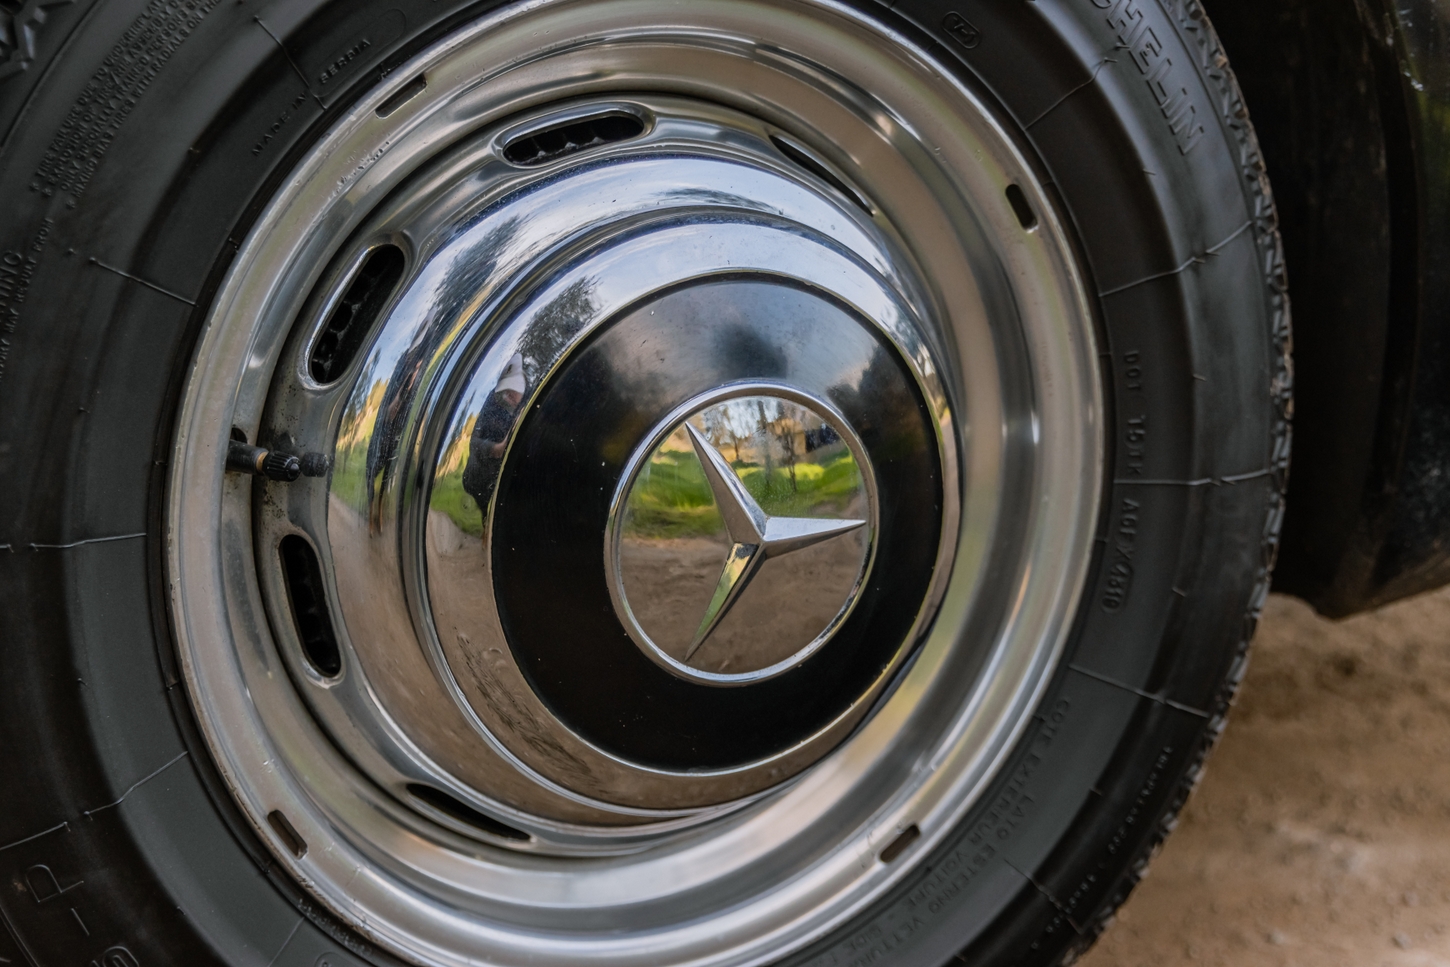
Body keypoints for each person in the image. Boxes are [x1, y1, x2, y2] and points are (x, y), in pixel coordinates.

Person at [462, 353, 526, 508]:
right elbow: (471, 441)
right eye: (506, 391)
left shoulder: (530, 402)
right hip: (479, 480)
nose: (507, 397)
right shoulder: (491, 403)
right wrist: (495, 449)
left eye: (513, 392)